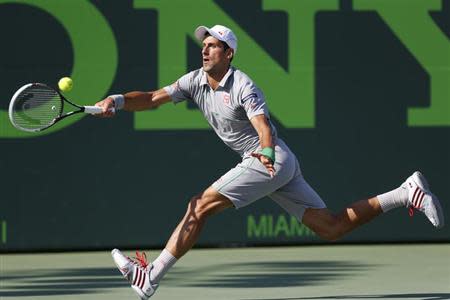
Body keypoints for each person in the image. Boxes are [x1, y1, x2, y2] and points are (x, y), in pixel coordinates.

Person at [95, 25, 444, 300]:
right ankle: (404, 193)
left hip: (268, 159)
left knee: (198, 206)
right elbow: (153, 98)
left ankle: (151, 277)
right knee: (331, 227)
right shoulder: (194, 81)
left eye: (213, 44)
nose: (205, 48)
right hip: (279, 163)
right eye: (204, 43)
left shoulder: (244, 85)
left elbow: (263, 127)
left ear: (228, 53)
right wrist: (118, 100)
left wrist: (264, 152)